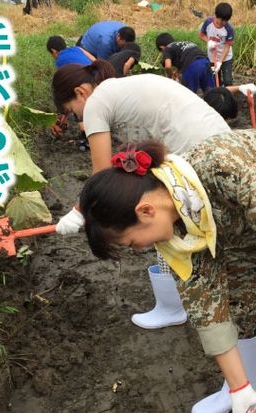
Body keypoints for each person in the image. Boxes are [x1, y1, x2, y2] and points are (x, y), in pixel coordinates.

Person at [79, 130, 256, 413]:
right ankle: (248, 393)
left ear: (146, 211)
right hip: (244, 223)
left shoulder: (222, 168)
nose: (138, 249)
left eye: (130, 243)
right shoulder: (176, 228)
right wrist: (239, 389)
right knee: (236, 302)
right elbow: (205, 306)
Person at [51, 60, 230, 330]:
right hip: (218, 140)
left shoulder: (97, 103)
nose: (79, 118)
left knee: (160, 222)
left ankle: (175, 307)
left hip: (195, 148)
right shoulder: (116, 91)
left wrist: (78, 213)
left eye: (72, 112)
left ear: (80, 93)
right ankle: (178, 303)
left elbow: (100, 174)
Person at [199, 2, 235, 86]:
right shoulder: (208, 22)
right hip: (212, 57)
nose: (221, 23)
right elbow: (201, 35)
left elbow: (227, 46)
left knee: (228, 81)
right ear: (215, 15)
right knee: (215, 80)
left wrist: (220, 62)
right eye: (220, 21)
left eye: (224, 22)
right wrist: (209, 41)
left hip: (226, 58)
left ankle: (228, 95)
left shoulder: (229, 28)